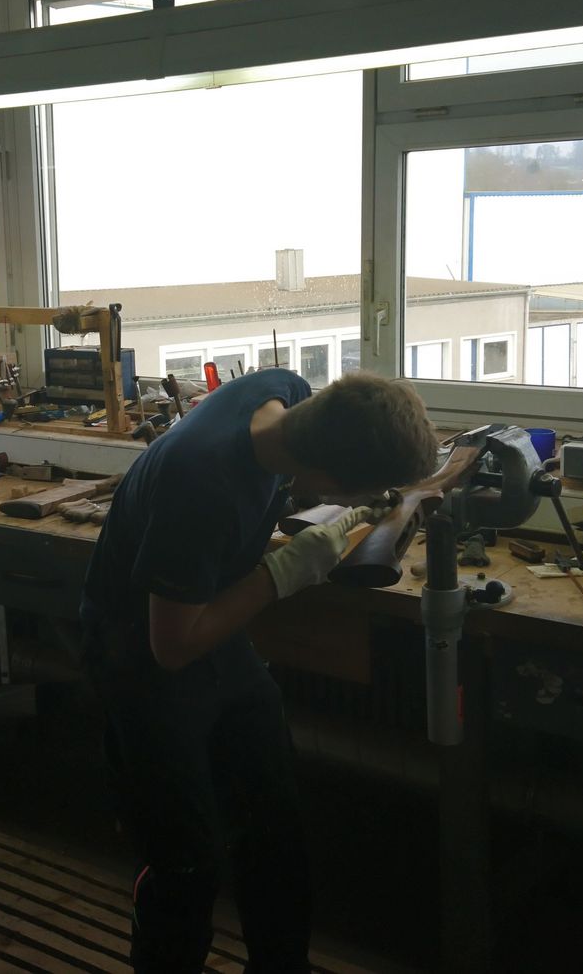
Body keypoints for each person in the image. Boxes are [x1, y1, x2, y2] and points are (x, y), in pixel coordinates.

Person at [81, 369, 440, 972]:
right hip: (139, 650)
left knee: (274, 830)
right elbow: (173, 647)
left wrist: (305, 511)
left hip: (211, 618)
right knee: (184, 863)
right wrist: (282, 573)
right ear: (328, 479)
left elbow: (273, 488)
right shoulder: (199, 482)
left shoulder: (285, 394)